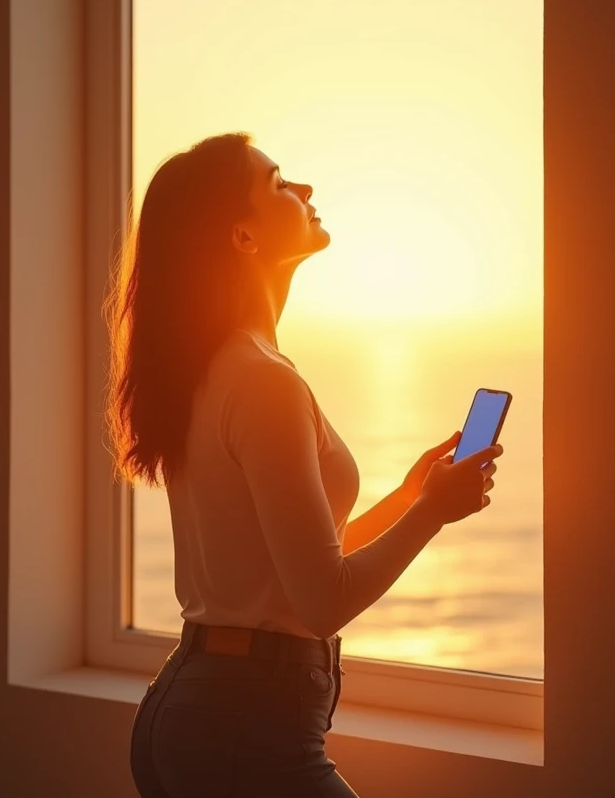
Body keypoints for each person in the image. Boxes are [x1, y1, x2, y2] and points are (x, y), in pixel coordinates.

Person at [104, 131, 500, 798]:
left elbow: (294, 568)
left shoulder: (217, 369)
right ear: (243, 238)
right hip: (246, 726)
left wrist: (407, 497)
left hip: (196, 710)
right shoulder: (263, 381)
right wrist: (433, 511)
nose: (306, 190)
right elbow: (322, 602)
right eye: (280, 182)